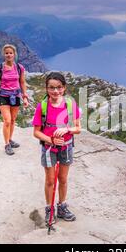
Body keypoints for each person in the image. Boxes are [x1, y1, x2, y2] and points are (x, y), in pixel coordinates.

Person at [32, 72, 81, 224]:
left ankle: (61, 206)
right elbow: (36, 132)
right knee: (50, 180)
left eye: (59, 87)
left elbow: (78, 128)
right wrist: (51, 140)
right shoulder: (43, 107)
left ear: (64, 88)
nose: (55, 91)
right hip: (48, 148)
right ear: (46, 89)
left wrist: (67, 130)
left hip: (66, 147)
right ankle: (49, 208)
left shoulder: (70, 105)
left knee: (63, 179)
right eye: (51, 88)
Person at [0, 44, 29, 155]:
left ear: (14, 54)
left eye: (10, 53)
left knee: (13, 120)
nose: (8, 55)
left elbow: (22, 82)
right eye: (6, 53)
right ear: (4, 54)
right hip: (4, 96)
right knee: (7, 121)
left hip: (15, 96)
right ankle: (7, 144)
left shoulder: (19, 67)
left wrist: (25, 96)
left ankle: (10, 139)